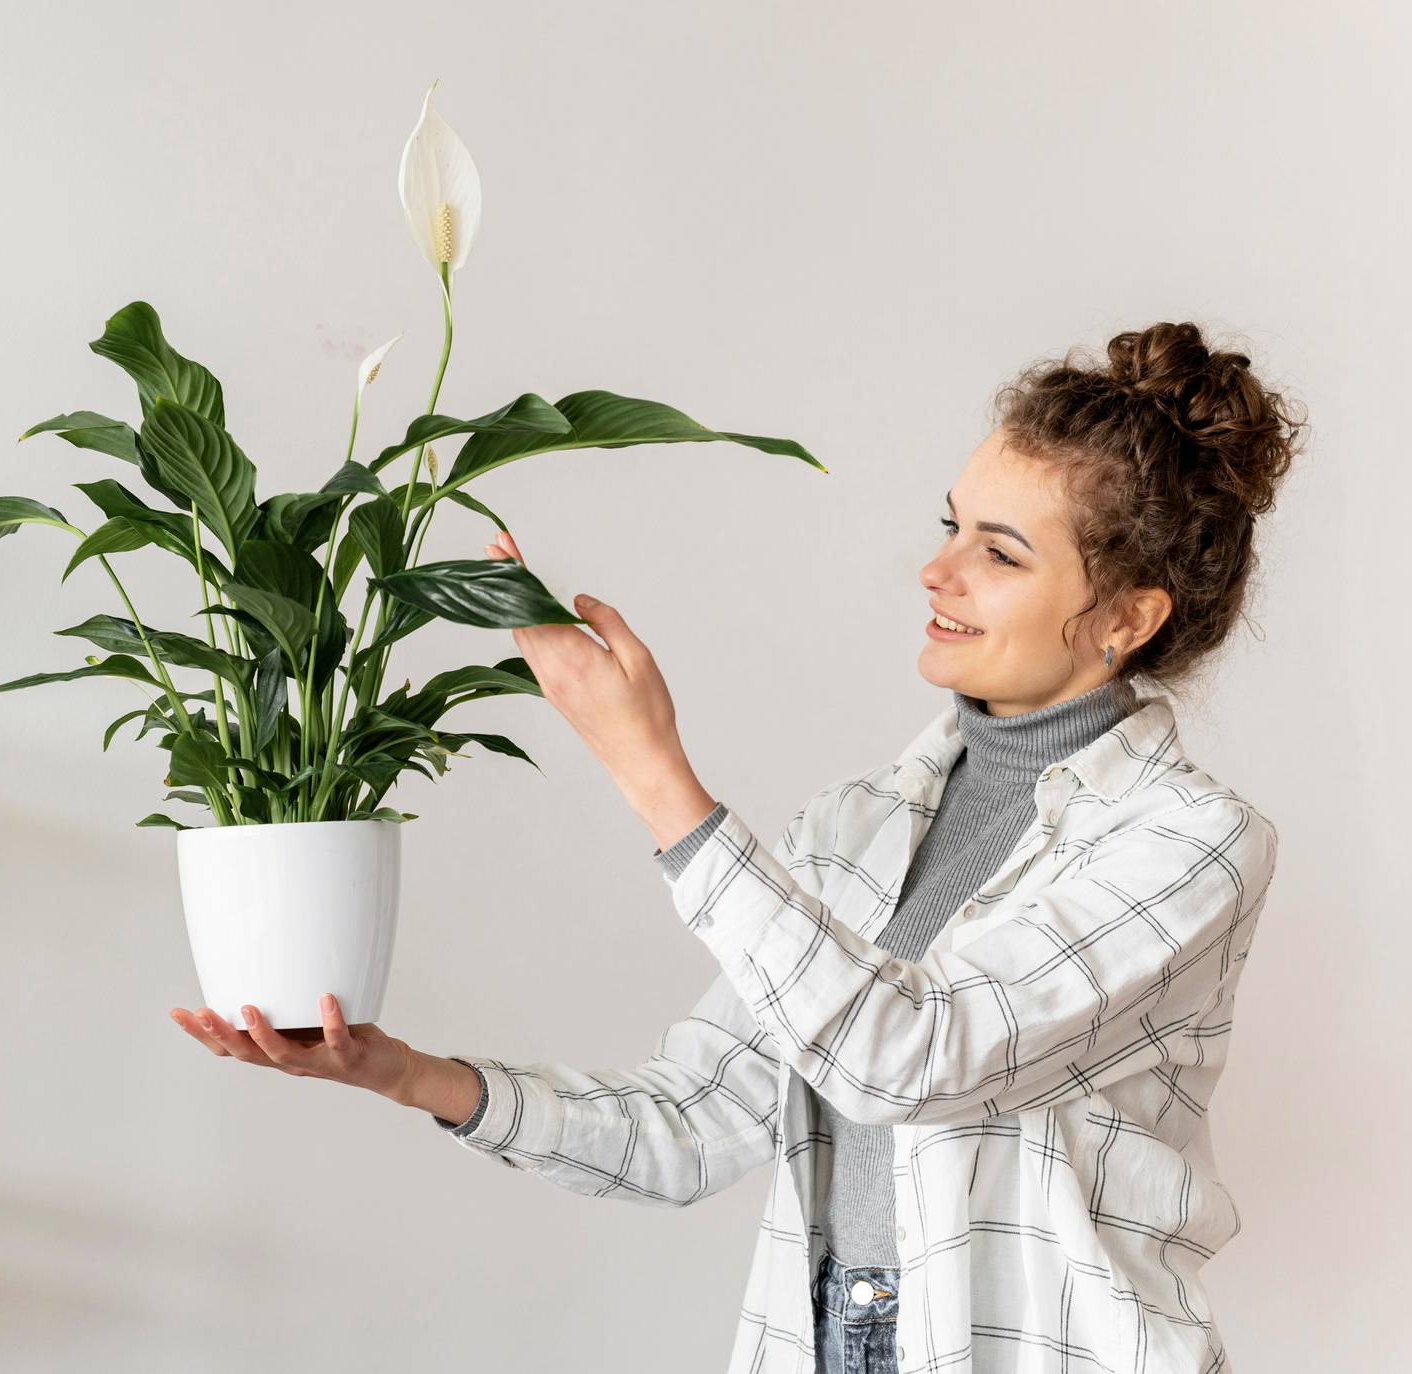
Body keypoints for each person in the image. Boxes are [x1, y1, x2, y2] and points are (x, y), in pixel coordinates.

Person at [170, 321, 1299, 1374]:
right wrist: (402, 1073)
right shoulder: (859, 826)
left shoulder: (1187, 846)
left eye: (997, 553)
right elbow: (690, 1123)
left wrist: (652, 775)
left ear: (1125, 618)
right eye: (946, 524)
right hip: (823, 1334)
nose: (935, 570)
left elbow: (905, 1059)